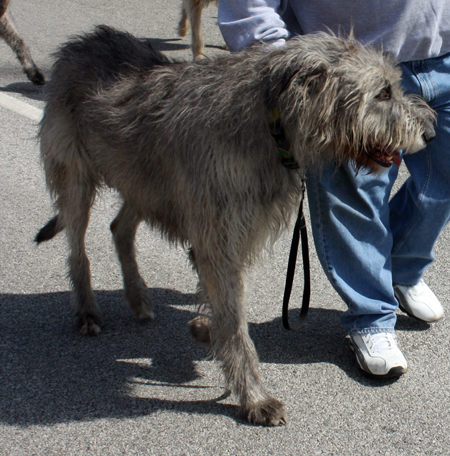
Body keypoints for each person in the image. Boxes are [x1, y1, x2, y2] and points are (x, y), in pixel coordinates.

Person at [218, 0, 450, 378]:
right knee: (356, 199)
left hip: (444, 52)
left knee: (444, 177)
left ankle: (401, 270)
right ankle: (372, 316)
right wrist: (288, 73)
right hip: (347, 74)